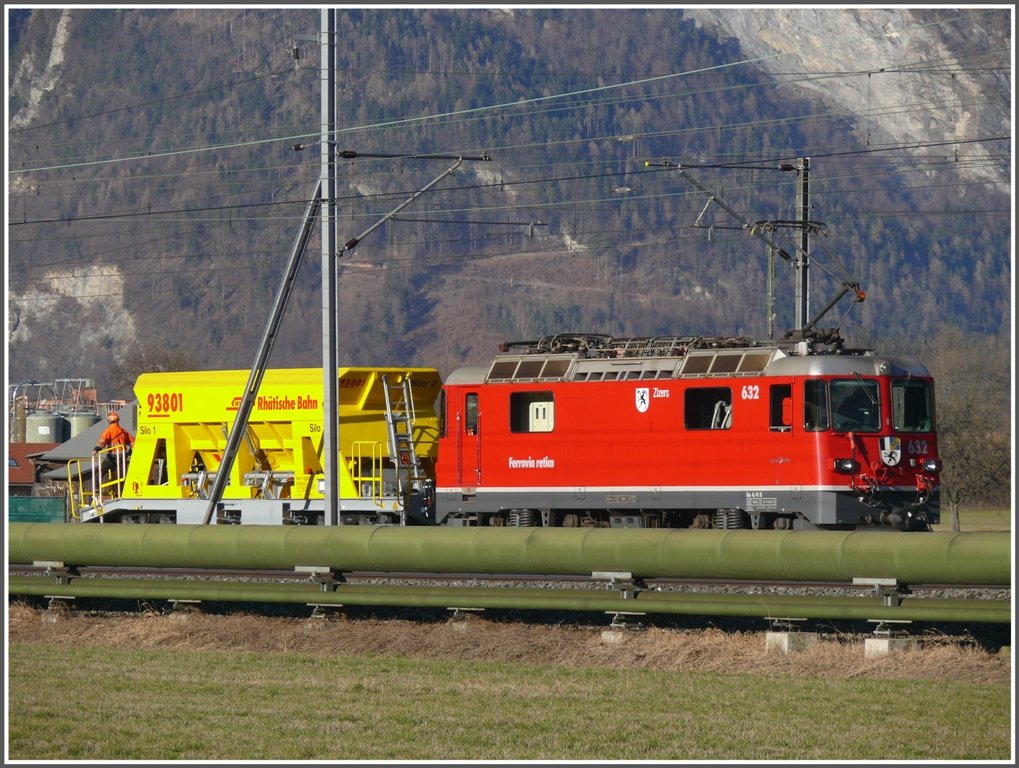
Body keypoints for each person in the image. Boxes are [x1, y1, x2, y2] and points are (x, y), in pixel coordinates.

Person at [93, 411, 135, 485]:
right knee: (124, 476)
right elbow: (133, 442)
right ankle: (123, 491)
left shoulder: (108, 430)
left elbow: (102, 441)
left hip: (112, 457)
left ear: (110, 420)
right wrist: (130, 452)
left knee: (100, 471)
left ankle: (96, 488)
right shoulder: (123, 431)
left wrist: (96, 449)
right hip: (122, 457)